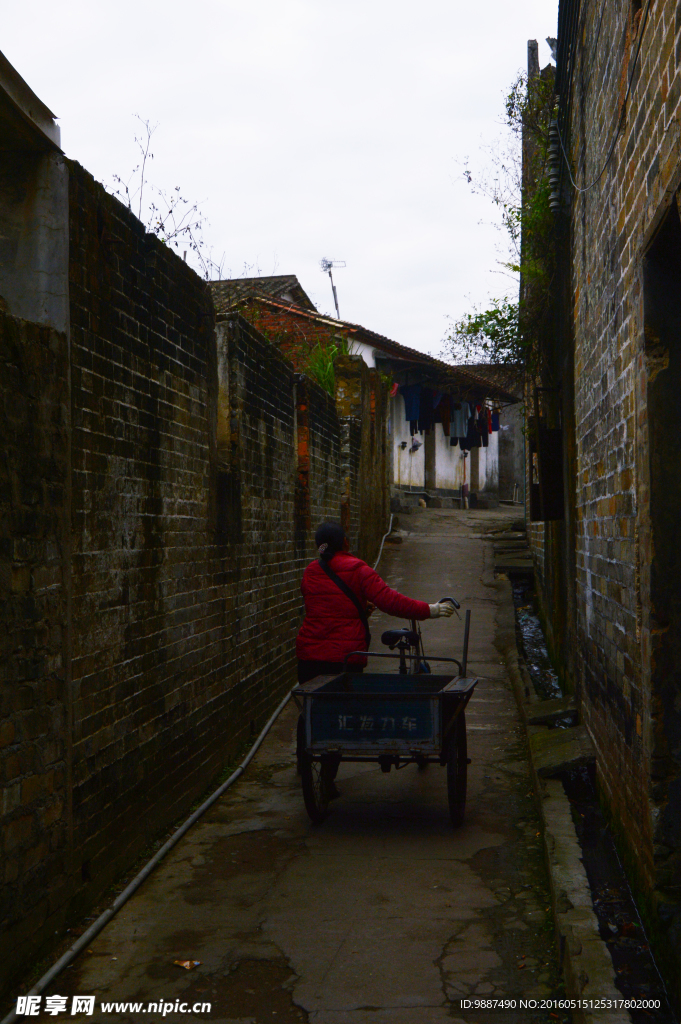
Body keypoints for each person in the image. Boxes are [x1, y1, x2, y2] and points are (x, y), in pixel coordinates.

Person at [296, 521, 455, 684]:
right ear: (345, 542)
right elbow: (390, 601)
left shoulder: (310, 571)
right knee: (342, 707)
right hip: (343, 660)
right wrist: (429, 610)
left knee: (312, 707)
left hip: (309, 660)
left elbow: (325, 607)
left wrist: (360, 610)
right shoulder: (358, 569)